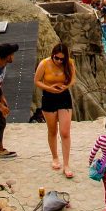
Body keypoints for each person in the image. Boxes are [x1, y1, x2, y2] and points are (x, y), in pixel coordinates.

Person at [34, 43, 76, 177]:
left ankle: (67, 164)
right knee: (52, 130)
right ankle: (55, 157)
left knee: (65, 132)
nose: (58, 61)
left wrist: (66, 86)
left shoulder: (69, 63)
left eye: (61, 59)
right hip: (49, 97)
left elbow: (73, 79)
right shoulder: (44, 63)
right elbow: (37, 80)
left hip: (63, 96)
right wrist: (49, 88)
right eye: (56, 58)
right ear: (52, 55)